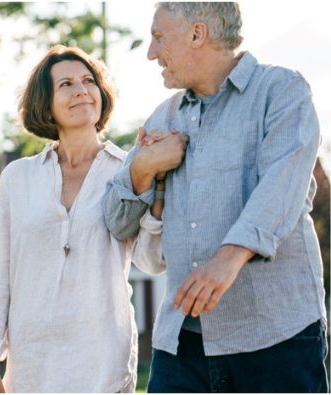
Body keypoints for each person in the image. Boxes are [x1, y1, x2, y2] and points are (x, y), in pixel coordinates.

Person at [103, 2, 328, 392]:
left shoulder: (282, 91)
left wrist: (229, 257)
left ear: (196, 34)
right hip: (182, 344)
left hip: (276, 336)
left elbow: (282, 186)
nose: (151, 53)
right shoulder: (162, 119)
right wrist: (143, 167)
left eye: (159, 38)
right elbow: (116, 222)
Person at [0, 45, 164, 393]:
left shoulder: (128, 170)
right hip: (32, 361)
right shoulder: (19, 177)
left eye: (89, 81)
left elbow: (151, 260)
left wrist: (156, 188)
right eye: (66, 84)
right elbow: (0, 273)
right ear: (47, 103)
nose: (81, 90)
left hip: (103, 358)